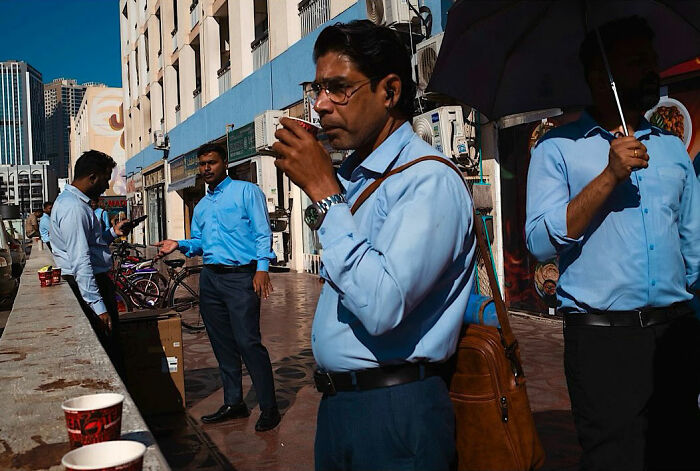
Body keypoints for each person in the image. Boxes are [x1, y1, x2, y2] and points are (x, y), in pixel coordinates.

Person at [272, 20, 475, 471]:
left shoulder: (428, 180)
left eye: (339, 88)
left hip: (397, 409)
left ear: (390, 91)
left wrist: (325, 192)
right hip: (342, 407)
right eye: (318, 88)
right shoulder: (356, 179)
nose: (321, 105)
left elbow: (383, 305)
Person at [525, 16, 700, 471]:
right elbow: (540, 242)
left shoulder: (671, 148)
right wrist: (609, 177)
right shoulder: (557, 149)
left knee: (678, 453)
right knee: (613, 460)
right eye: (639, 61)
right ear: (601, 76)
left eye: (653, 59)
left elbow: (693, 243)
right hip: (603, 344)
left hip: (674, 335)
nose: (653, 70)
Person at [155, 143, 280, 432]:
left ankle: (270, 407)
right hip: (211, 279)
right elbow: (199, 242)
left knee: (248, 342)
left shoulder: (247, 192)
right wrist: (179, 243)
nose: (206, 168)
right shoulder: (201, 206)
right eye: (202, 164)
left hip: (241, 277)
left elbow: (264, 232)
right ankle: (234, 402)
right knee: (221, 343)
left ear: (225, 162)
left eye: (211, 162)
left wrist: (262, 269)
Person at [50, 150, 132, 375]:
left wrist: (113, 234)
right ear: (93, 177)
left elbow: (92, 244)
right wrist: (98, 307)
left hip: (92, 282)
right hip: (88, 286)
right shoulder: (74, 208)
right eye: (106, 178)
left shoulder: (78, 204)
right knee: (108, 355)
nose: (107, 185)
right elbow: (81, 260)